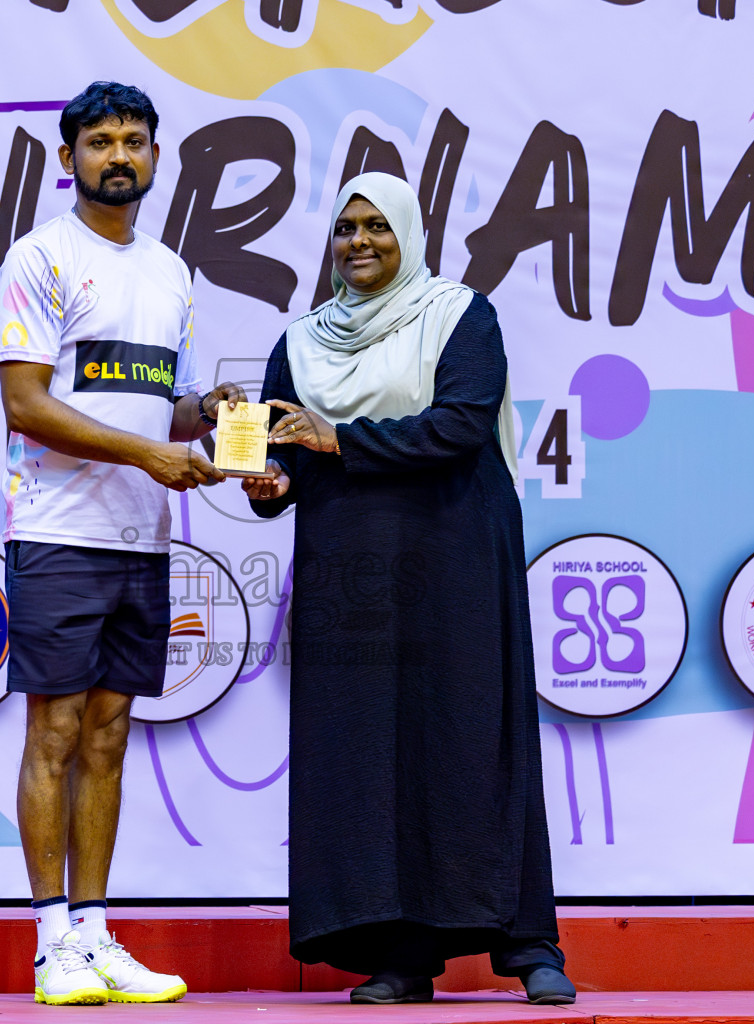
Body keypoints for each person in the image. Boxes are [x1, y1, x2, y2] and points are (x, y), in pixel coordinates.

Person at [242, 171, 575, 1006]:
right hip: (350, 571)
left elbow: (464, 424)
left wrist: (336, 438)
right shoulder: (301, 340)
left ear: (409, 234)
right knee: (364, 756)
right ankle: (397, 953)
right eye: (346, 229)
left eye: (377, 227)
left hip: (454, 553)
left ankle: (527, 942)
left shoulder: (458, 314)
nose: (359, 243)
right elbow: (280, 449)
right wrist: (271, 481)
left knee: (471, 740)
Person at [0, 81, 242, 1007]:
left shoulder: (171, 272)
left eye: (135, 139)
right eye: (99, 141)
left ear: (157, 156)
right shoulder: (39, 256)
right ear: (69, 158)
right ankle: (52, 941)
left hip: (142, 537)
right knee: (54, 733)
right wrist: (152, 451)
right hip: (58, 532)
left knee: (110, 735)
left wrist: (206, 415)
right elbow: (27, 404)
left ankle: (95, 931)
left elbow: (144, 399)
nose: (118, 155)